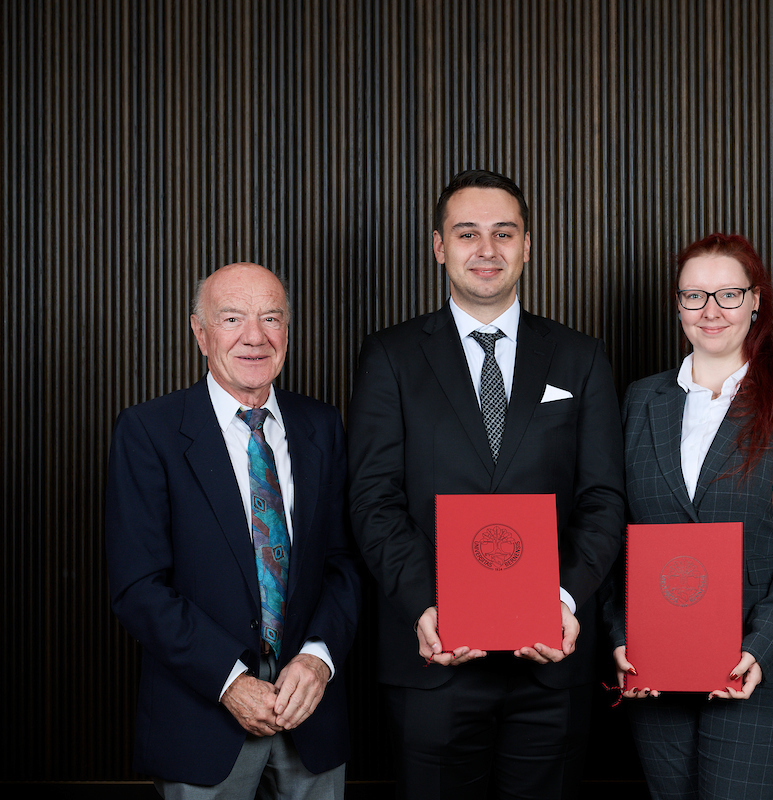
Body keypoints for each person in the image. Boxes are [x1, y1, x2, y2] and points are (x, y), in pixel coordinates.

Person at [347, 168, 625, 799]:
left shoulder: (581, 356)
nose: (487, 249)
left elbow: (603, 499)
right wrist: (428, 604)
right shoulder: (389, 356)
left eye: (504, 232)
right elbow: (373, 499)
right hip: (433, 656)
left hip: (551, 657)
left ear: (528, 244)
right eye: (467, 233)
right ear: (439, 246)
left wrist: (566, 600)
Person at [106, 262, 362, 798]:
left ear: (287, 332)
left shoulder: (322, 426)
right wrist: (229, 682)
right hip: (202, 718)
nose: (255, 336)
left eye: (272, 318)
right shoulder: (148, 431)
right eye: (231, 318)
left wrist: (319, 659)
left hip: (310, 713)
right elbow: (137, 586)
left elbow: (346, 562)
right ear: (200, 333)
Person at [607, 233, 773, 799]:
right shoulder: (641, 399)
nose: (711, 311)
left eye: (728, 294)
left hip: (767, 667)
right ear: (677, 305)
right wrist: (622, 638)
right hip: (658, 673)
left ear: (757, 300)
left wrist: (760, 644)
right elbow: (615, 531)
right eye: (694, 296)